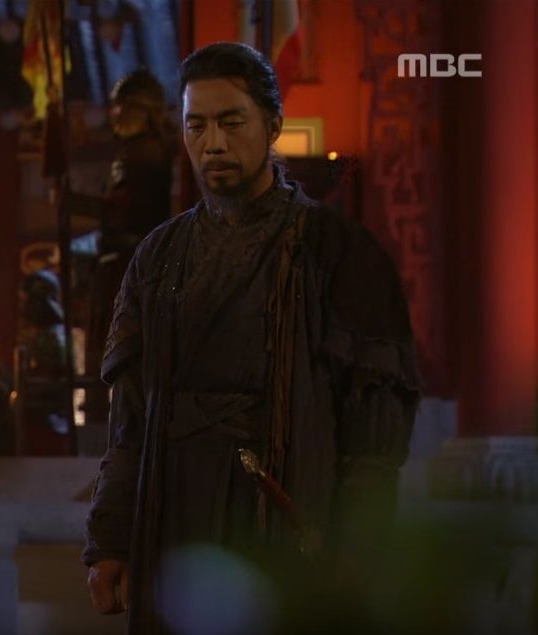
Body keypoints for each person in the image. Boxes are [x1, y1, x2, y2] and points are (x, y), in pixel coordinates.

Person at [83, 42, 420, 633]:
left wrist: (360, 552)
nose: (213, 143)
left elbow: (373, 437)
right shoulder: (158, 257)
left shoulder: (339, 253)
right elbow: (129, 424)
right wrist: (111, 538)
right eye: (197, 126)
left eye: (231, 122)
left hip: (286, 506)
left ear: (273, 126)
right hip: (175, 511)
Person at [66, 68, 175, 423]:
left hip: (131, 260)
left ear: (142, 111)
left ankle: (112, 416)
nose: (116, 115)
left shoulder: (148, 155)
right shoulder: (132, 153)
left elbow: (127, 211)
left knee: (118, 341)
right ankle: (101, 411)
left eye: (123, 108)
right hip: (118, 258)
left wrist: (73, 202)